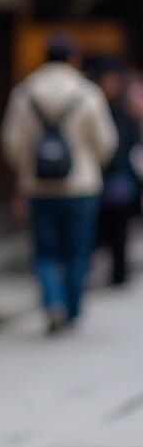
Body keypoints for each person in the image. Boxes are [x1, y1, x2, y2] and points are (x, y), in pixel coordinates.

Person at [1, 36, 117, 332]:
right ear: (73, 59)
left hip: (37, 186)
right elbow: (106, 142)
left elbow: (11, 143)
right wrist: (91, 163)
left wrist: (27, 168)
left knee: (44, 251)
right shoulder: (88, 93)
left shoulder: (24, 94)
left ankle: (53, 301)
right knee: (77, 251)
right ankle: (72, 309)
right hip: (81, 185)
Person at [95, 62, 142, 286]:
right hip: (101, 177)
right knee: (106, 227)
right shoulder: (97, 109)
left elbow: (134, 148)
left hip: (121, 177)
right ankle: (113, 270)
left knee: (120, 228)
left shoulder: (125, 114)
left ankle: (119, 272)